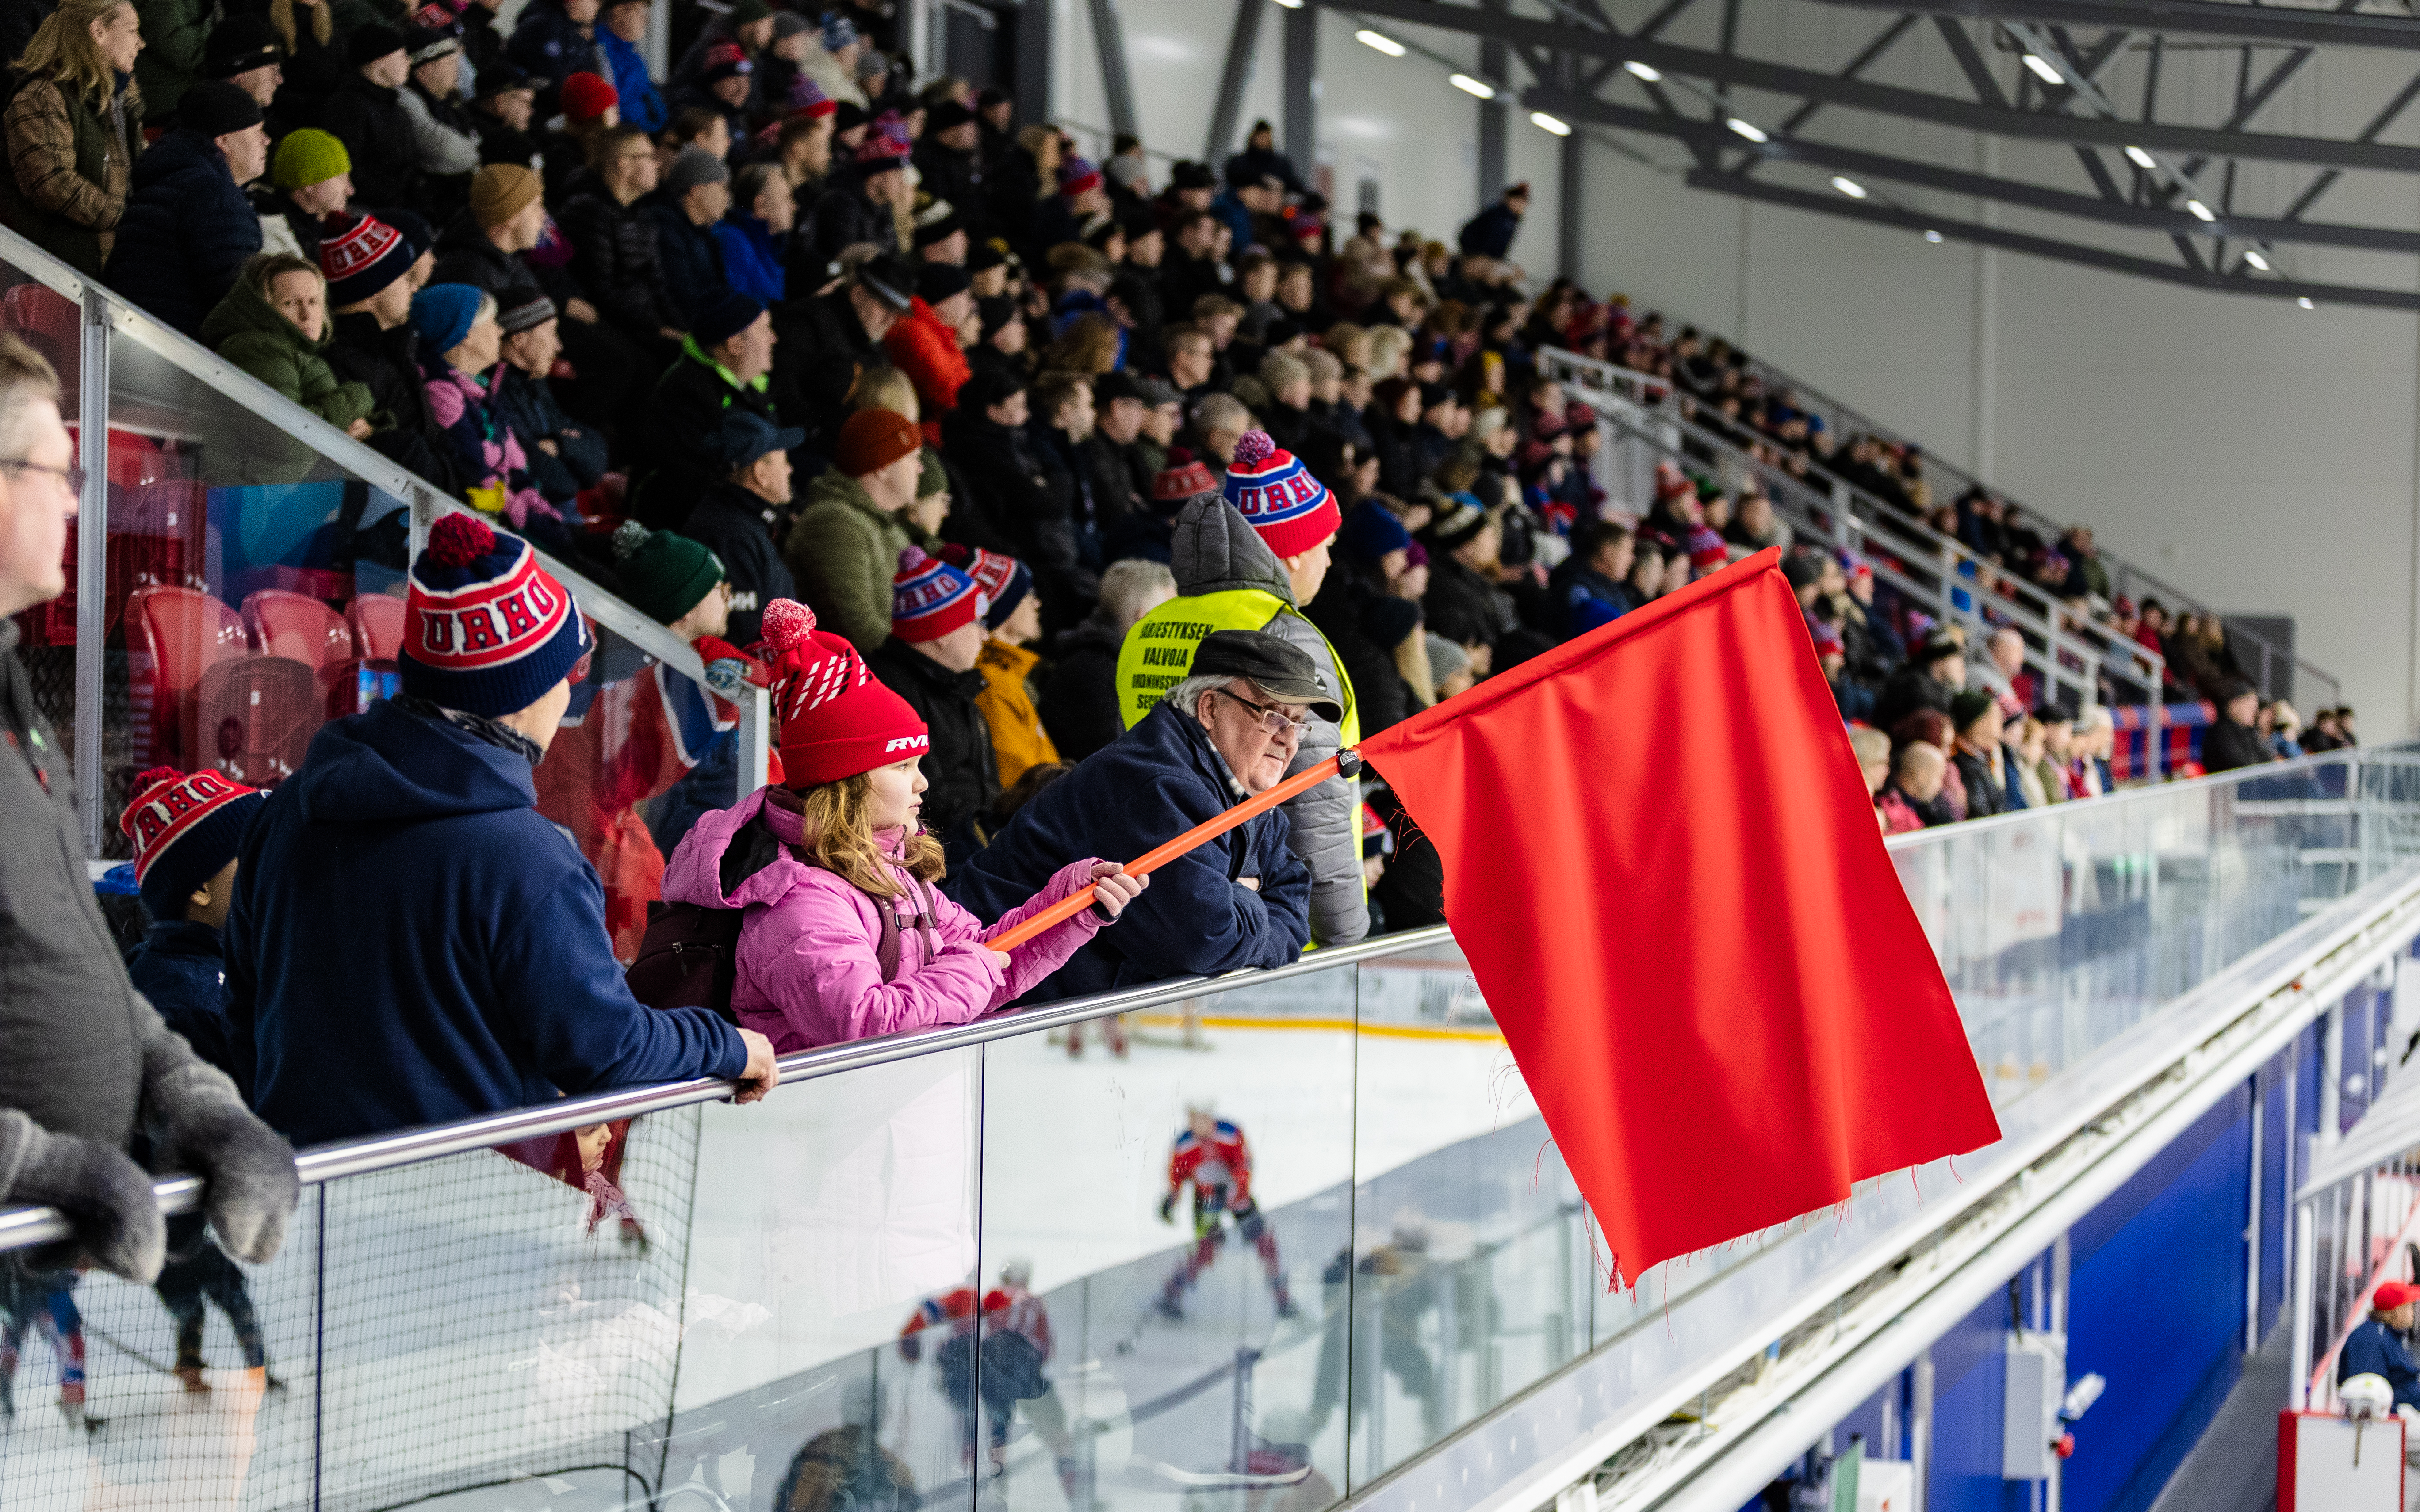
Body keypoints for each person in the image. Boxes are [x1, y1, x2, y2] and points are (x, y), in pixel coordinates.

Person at [226, 513, 779, 1143]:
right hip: (464, 1192)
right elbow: (607, 1049)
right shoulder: (530, 863)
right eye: (569, 677)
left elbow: (244, 1013)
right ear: (521, 694)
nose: (570, 699)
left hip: (302, 1178)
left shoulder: (287, 810)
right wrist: (727, 1045)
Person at [0, 332, 299, 1308]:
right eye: (58, 473)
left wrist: (194, 1102)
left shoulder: (14, 701)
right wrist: (27, 1165)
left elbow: (74, 956)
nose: (76, 503)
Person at [656, 597, 1142, 1050]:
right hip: (821, 1111)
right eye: (903, 766)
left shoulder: (891, 870)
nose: (922, 783)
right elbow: (862, 1024)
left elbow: (990, 957)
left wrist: (1070, 907)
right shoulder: (798, 899)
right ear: (848, 781)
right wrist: (975, 967)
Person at [949, 629, 1318, 1001]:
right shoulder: (1160, 786)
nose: (1288, 739)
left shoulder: (1245, 790)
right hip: (990, 1001)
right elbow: (1200, 941)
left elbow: (1295, 904)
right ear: (1209, 708)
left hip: (1062, 1007)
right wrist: (1250, 897)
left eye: (1299, 724)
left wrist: (1233, 898)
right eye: (1274, 717)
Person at [1115, 430, 1366, 948]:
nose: (1330, 560)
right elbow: (1313, 805)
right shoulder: (1287, 634)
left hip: (1162, 901)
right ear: (1293, 555)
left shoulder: (1147, 629)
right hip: (1266, 924)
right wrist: (1345, 941)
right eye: (1326, 545)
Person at [117, 767, 276, 1393]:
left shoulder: (201, 971)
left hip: (191, 1223)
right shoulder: (186, 999)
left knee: (215, 1297)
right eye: (250, 861)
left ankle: (230, 1364)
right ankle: (229, 1367)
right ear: (202, 891)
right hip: (185, 1219)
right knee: (213, 1295)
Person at [534, 523, 745, 960]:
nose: (729, 595)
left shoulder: (626, 677)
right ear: (684, 610)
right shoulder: (627, 694)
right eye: (717, 588)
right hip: (606, 869)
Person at [102, 78, 266, 336]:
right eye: (258, 132)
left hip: (140, 337)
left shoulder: (173, 180)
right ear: (224, 141)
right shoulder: (214, 194)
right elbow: (235, 300)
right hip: (177, 346)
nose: (267, 141)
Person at [199, 250, 377, 481]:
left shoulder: (297, 353)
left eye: (313, 302)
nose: (307, 315)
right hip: (242, 491)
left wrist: (367, 425)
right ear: (263, 308)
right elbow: (285, 441)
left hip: (268, 493)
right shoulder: (259, 349)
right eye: (290, 303)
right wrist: (356, 400)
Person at [0, 0, 147, 278]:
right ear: (99, 31)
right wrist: (128, 218)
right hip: (61, 275)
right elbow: (53, 184)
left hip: (112, 260)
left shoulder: (119, 98)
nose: (141, 43)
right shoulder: (42, 97)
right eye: (132, 31)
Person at [867, 548, 1000, 848]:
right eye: (978, 623)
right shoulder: (893, 691)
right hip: (934, 855)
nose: (986, 637)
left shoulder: (957, 686)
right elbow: (930, 802)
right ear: (942, 631)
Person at [629, 289, 780, 528]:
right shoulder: (687, 393)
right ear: (735, 345)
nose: (774, 339)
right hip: (681, 527)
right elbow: (695, 483)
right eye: (764, 330)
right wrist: (767, 511)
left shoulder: (752, 389)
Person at [788, 405, 928, 652]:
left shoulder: (888, 526)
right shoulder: (835, 522)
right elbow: (858, 628)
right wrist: (924, 657)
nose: (921, 469)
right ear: (883, 468)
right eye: (913, 458)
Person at [679, 409, 803, 645]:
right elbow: (744, 636)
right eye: (784, 461)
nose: (790, 469)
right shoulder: (732, 536)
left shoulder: (746, 521)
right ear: (760, 473)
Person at [1039, 557, 1175, 762]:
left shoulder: (1113, 664)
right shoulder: (1094, 674)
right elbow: (1119, 761)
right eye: (1172, 617)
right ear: (1144, 619)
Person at [954, 546, 1057, 787]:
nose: (1037, 603)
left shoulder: (1008, 675)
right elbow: (1021, 785)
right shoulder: (993, 687)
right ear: (1004, 609)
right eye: (1028, 594)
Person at [320, 25, 422, 206]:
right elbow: (350, 169)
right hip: (373, 207)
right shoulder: (348, 107)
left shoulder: (390, 102)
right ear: (378, 62)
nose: (409, 61)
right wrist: (396, 200)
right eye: (402, 56)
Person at [2339, 1280, 2420, 1410]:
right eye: (2409, 1306)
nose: (2413, 1311)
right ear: (2397, 1310)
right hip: (2396, 1419)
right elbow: (2367, 1398)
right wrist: (2400, 1415)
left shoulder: (2390, 1335)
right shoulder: (2370, 1339)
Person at [1947, 689, 2013, 819]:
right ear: (1976, 721)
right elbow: (1980, 814)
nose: (2002, 722)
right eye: (1996, 716)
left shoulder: (1986, 758)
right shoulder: (1960, 763)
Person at [2201, 679, 2272, 773]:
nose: (2255, 713)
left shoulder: (2247, 732)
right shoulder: (2220, 733)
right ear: (2234, 705)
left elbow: (2267, 760)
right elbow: (2243, 765)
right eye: (2250, 707)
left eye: (2255, 709)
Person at [1877, 741, 1946, 834]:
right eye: (1939, 777)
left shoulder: (1926, 808)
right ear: (1922, 776)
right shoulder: (1887, 809)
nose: (1941, 786)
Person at [1457, 181, 1527, 260]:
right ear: (1511, 199)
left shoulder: (1511, 218)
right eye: (1520, 201)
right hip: (1479, 256)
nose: (1523, 205)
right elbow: (1492, 240)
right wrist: (1482, 256)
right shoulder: (1500, 215)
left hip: (1486, 257)